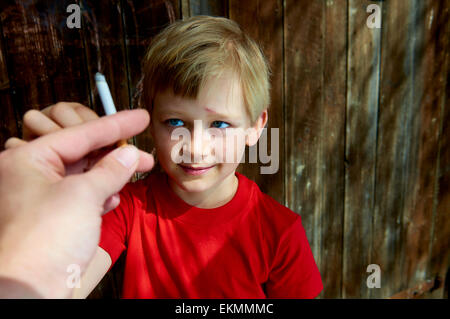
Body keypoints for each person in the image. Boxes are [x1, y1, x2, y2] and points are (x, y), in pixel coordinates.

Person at [6, 16, 323, 298]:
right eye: (175, 122)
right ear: (149, 122)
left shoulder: (280, 232)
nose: (196, 148)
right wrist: (42, 210)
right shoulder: (125, 208)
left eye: (219, 124)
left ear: (255, 128)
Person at [0, 109, 154, 298]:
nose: (193, 150)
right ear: (153, 127)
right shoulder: (123, 204)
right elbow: (68, 289)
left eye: (203, 124)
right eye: (175, 122)